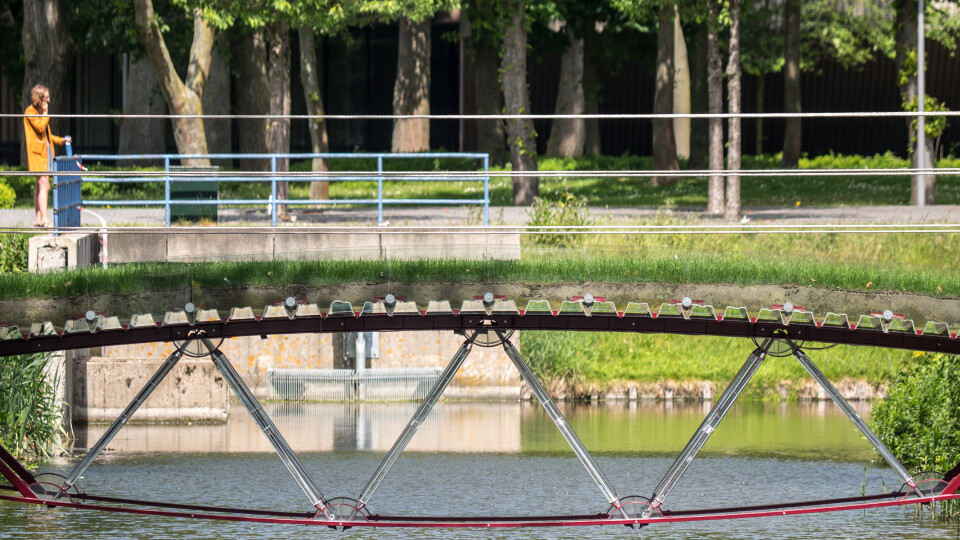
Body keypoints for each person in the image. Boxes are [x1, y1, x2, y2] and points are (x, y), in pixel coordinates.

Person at [23, 84, 71, 228]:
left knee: (39, 186)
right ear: (40, 98)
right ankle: (44, 218)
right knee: (45, 186)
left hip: (45, 154)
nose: (49, 100)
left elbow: (48, 136)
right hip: (38, 155)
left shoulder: (39, 113)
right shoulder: (31, 112)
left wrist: (62, 140)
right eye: (47, 97)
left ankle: (38, 217)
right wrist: (45, 113)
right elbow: (40, 127)